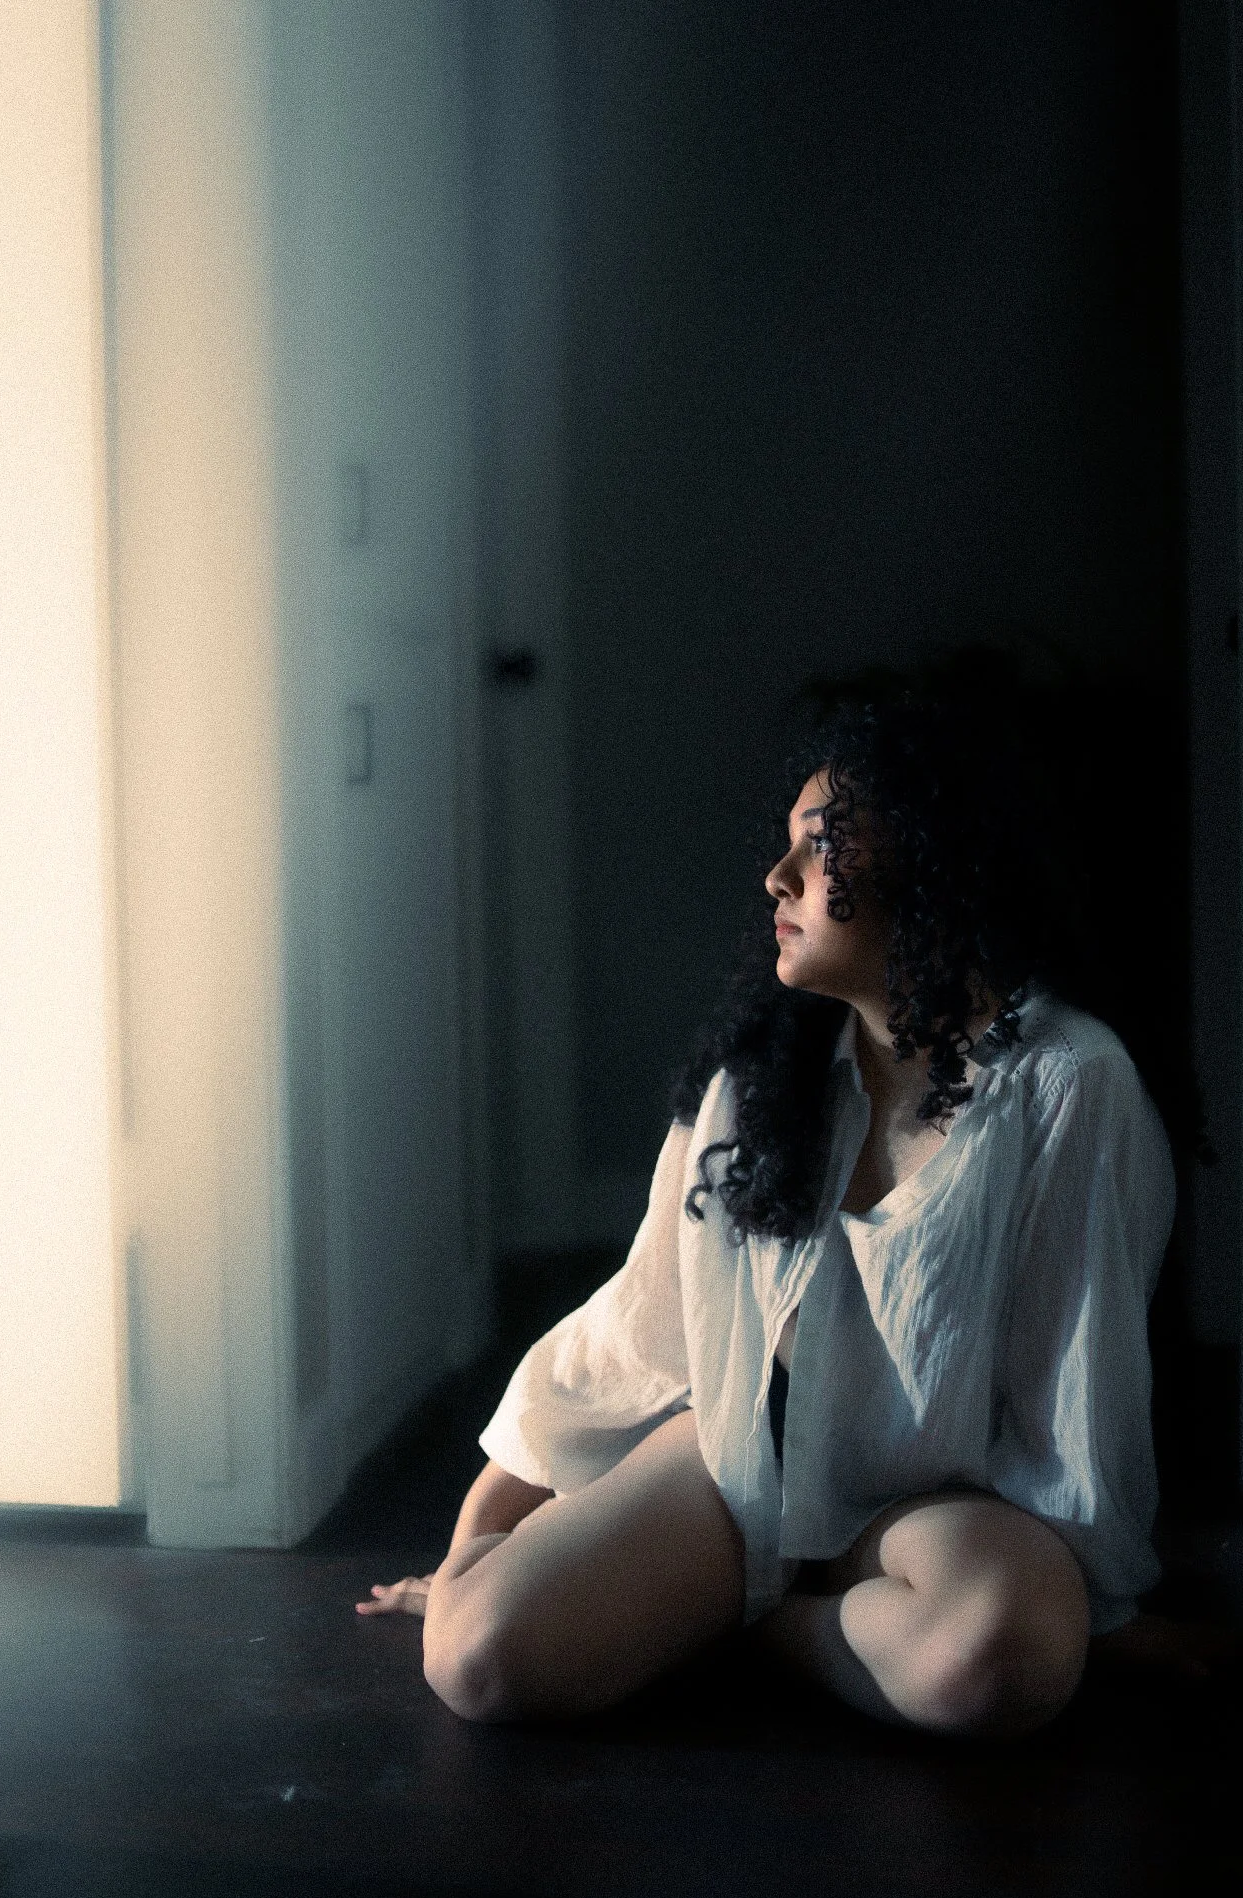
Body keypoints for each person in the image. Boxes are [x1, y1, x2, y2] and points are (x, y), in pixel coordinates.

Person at [357, 652, 1231, 1736]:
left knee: (993, 1657)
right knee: (478, 1658)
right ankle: (751, 1609)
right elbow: (640, 1325)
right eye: (783, 847)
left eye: (816, 851)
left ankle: (759, 1630)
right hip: (738, 1470)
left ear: (930, 865)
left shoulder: (1064, 1081)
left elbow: (1076, 1392)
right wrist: (474, 1549)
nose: (775, 878)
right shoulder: (760, 1074)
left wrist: (1091, 1620)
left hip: (936, 1506)